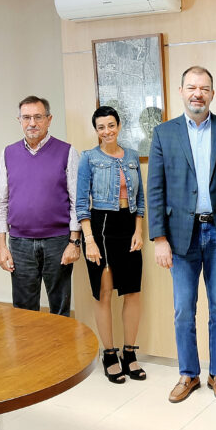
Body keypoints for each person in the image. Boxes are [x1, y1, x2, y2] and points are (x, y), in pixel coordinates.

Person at [148, 66, 216, 403]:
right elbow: (156, 188)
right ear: (181, 91)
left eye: (204, 88)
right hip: (181, 236)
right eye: (191, 87)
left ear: (212, 93)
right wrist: (159, 238)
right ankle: (188, 374)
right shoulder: (164, 133)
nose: (197, 93)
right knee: (182, 309)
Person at [77, 106, 146, 384]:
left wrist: (139, 230)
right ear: (96, 131)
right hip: (100, 228)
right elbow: (81, 203)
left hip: (128, 225)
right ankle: (109, 353)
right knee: (104, 292)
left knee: (132, 291)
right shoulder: (88, 158)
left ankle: (129, 352)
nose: (107, 131)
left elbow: (139, 200)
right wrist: (89, 240)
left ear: (119, 126)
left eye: (111, 125)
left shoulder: (130, 156)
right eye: (101, 127)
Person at [0, 96, 81, 316]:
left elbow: (76, 201)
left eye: (37, 117)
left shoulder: (67, 152)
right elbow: (1, 202)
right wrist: (2, 246)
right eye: (26, 117)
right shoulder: (8, 153)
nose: (32, 123)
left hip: (58, 241)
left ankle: (61, 351)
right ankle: (28, 352)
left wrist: (74, 241)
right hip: (20, 243)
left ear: (49, 119)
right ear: (20, 120)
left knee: (60, 309)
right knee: (23, 311)